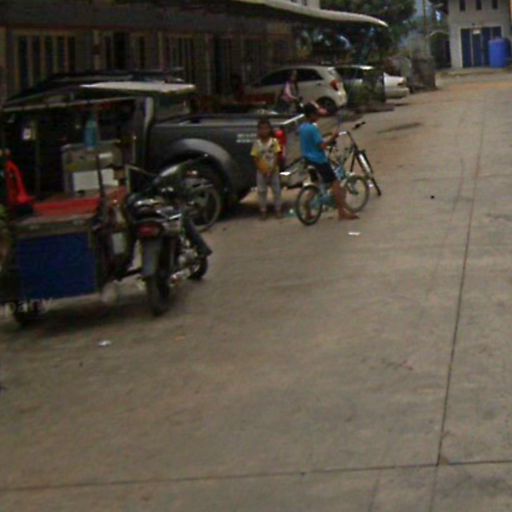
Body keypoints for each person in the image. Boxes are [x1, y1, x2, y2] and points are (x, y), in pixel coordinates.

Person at [300, 102, 358, 221]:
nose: (318, 116)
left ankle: (307, 210)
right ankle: (342, 212)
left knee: (315, 184)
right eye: (316, 114)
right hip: (319, 160)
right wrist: (333, 137)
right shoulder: (313, 128)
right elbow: (321, 146)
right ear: (311, 115)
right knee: (335, 183)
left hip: (308, 160)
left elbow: (312, 143)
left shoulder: (303, 128)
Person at [251, 117, 282, 220]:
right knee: (261, 191)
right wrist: (261, 170)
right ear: (258, 130)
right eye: (262, 128)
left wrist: (273, 168)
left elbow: (277, 155)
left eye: (266, 128)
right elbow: (255, 158)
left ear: (270, 129)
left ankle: (278, 209)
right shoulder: (257, 143)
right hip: (261, 171)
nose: (264, 131)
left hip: (273, 170)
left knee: (276, 191)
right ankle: (263, 210)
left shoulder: (274, 142)